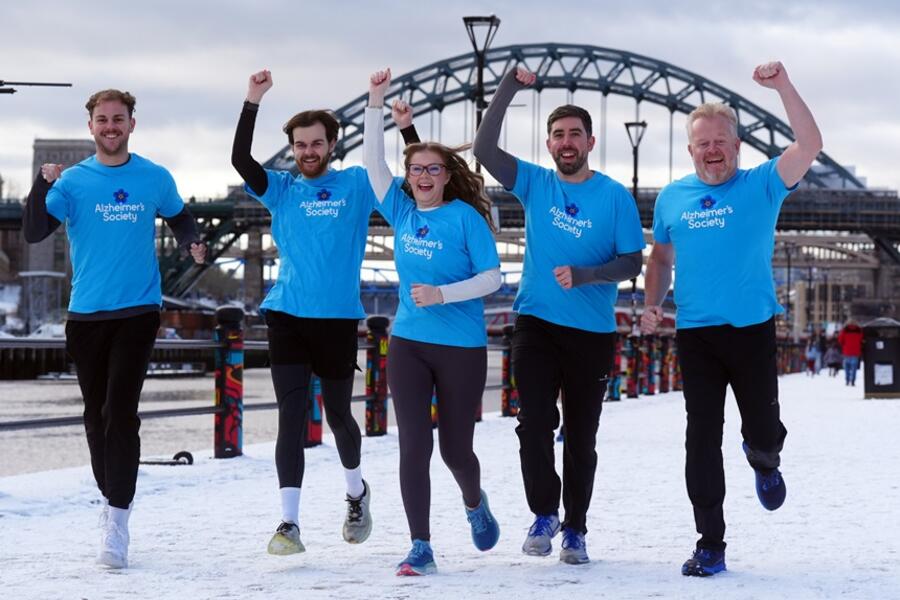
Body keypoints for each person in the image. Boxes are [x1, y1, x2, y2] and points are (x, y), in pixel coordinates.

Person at [641, 61, 823, 576]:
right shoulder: (672, 198)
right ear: (691, 149)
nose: (712, 149)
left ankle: (764, 457)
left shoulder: (761, 184)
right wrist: (653, 304)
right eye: (703, 142)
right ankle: (710, 544)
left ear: (737, 146)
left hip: (751, 329)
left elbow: (809, 145)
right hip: (696, 333)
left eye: (721, 140)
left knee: (762, 431)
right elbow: (660, 258)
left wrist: (783, 85)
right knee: (701, 434)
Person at [23, 88, 206, 568]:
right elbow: (33, 231)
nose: (110, 126)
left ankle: (117, 522)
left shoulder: (153, 176)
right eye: (102, 119)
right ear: (91, 127)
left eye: (118, 119)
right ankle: (112, 501)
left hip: (138, 311)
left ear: (131, 124)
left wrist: (192, 241)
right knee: (95, 414)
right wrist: (41, 185)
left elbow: (180, 217)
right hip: (86, 314)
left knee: (121, 411)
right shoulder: (74, 182)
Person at [473, 67, 645, 564]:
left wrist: (588, 274)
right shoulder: (535, 184)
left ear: (590, 141)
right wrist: (508, 86)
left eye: (575, 134)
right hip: (536, 323)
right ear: (548, 144)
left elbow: (633, 262)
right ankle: (544, 513)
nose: (566, 142)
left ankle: (576, 528)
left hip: (592, 331)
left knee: (582, 435)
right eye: (557, 135)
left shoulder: (614, 196)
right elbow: (484, 151)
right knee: (534, 422)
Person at [231, 70, 406, 555]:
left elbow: (389, 169)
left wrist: (378, 103)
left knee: (337, 417)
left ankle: (356, 493)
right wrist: (253, 100)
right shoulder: (282, 188)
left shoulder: (355, 184)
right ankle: (288, 523)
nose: (308, 151)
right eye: (300, 145)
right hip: (286, 314)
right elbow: (240, 159)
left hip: (335, 319)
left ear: (331, 144)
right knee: (290, 416)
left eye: (316, 143)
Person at [365, 69, 502, 576]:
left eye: (433, 170)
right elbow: (372, 163)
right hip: (408, 343)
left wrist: (443, 293)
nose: (423, 176)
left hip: (462, 347)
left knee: (455, 450)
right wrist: (376, 101)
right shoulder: (400, 210)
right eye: (416, 169)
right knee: (414, 446)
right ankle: (420, 545)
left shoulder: (466, 218)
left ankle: (474, 501)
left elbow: (492, 280)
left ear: (447, 175)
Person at [838, 320, 864, 386]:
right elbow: (861, 339)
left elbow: (840, 340)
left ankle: (847, 380)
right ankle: (853, 380)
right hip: (855, 351)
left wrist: (844, 345)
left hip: (847, 351)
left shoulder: (845, 330)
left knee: (847, 367)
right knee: (854, 368)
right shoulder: (859, 330)